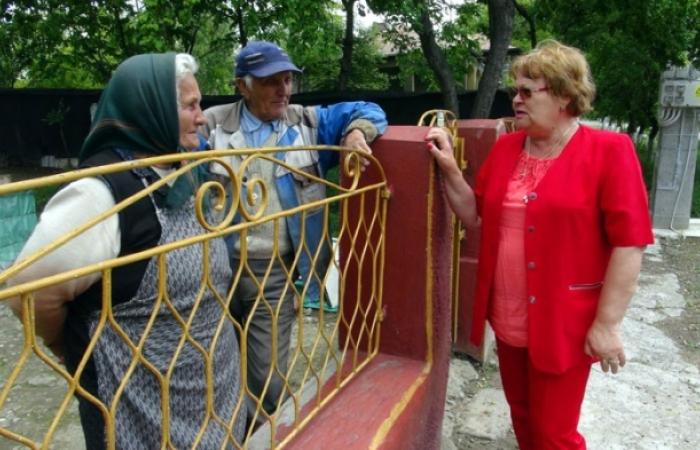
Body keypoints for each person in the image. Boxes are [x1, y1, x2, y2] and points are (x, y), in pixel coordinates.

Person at [8, 53, 246, 449]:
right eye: (191, 107)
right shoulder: (100, 195)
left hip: (210, 396)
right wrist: (69, 347)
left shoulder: (183, 172)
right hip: (143, 409)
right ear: (152, 110)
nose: (202, 118)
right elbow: (30, 292)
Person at [427, 40, 654, 449]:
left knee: (554, 435)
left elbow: (630, 244)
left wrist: (607, 325)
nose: (516, 99)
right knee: (523, 419)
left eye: (527, 91)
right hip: (508, 317)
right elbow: (475, 214)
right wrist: (448, 169)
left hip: (563, 324)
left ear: (564, 95)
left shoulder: (609, 151)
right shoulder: (506, 148)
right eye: (515, 90)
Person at [200, 41, 387, 424]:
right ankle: (230, 433)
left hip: (273, 273)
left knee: (267, 378)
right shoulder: (212, 125)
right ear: (242, 86)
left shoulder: (308, 124)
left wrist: (356, 133)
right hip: (214, 269)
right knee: (215, 367)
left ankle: (264, 436)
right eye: (271, 82)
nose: (284, 90)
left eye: (287, 80)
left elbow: (369, 110)